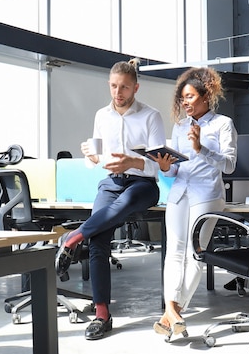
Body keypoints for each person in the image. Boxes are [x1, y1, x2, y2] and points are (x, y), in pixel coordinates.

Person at [55, 58, 167, 340]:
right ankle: (102, 314)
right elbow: (97, 160)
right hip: (111, 183)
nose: (118, 93)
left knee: (125, 204)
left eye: (125, 88)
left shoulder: (151, 116)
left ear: (136, 87)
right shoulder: (101, 115)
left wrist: (134, 161)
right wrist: (92, 158)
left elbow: (158, 165)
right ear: (109, 85)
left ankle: (72, 238)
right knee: (99, 241)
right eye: (114, 86)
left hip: (142, 185)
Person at [150, 67, 237, 341]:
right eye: (182, 98)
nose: (185, 102)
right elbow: (174, 171)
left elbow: (231, 165)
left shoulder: (223, 124)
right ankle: (174, 315)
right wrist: (165, 167)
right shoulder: (179, 127)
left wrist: (202, 149)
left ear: (205, 95)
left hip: (207, 194)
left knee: (193, 253)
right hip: (179, 192)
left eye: (189, 97)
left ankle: (171, 312)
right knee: (173, 253)